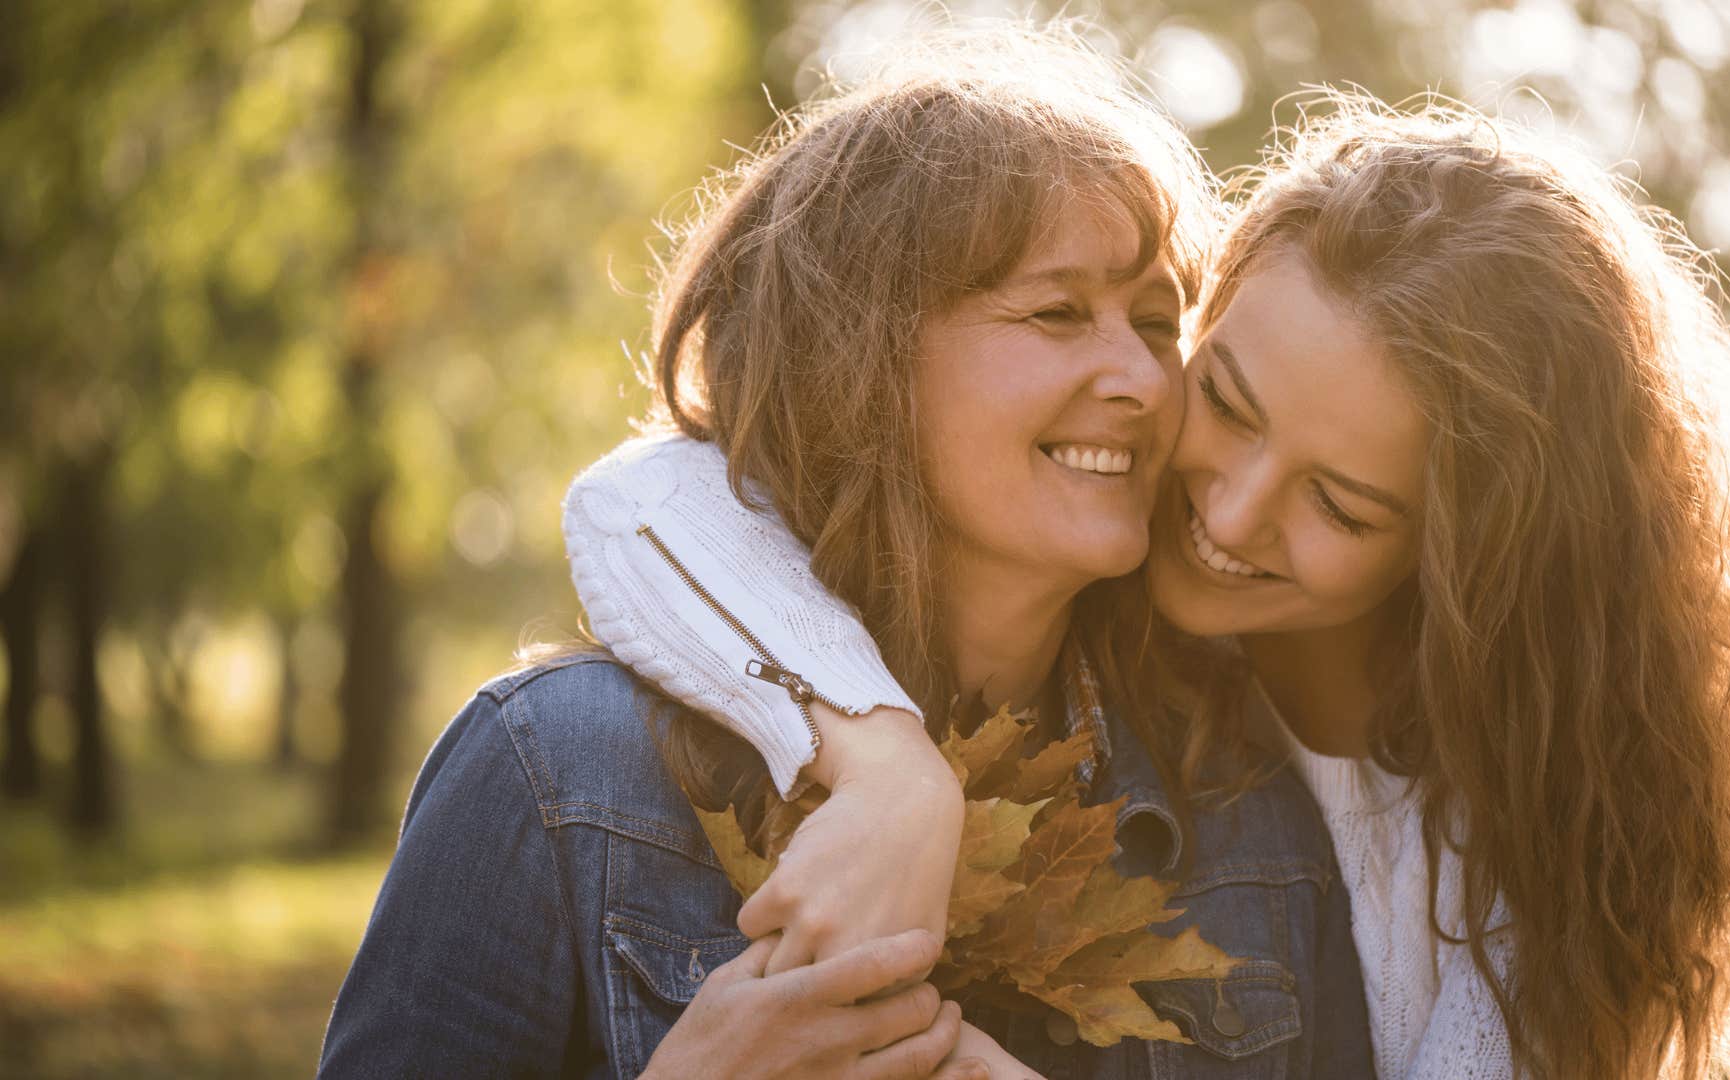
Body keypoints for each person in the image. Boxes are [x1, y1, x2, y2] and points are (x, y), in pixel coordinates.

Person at [575, 92, 1730, 1079]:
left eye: (1340, 503)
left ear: (1468, 560)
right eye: (1228, 402)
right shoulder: (1100, 606)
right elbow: (648, 498)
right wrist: (885, 763)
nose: (1226, 510)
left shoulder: (1541, 835)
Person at [319, 29, 1374, 1080]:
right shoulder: (556, 775)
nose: (1144, 382)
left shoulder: (1245, 818)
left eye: (1155, 321)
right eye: (1057, 312)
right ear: (855, 362)